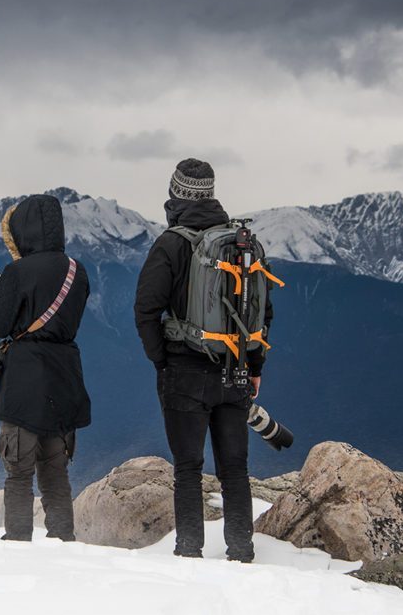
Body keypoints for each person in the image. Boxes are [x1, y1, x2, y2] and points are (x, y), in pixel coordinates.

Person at [133, 158, 273, 563]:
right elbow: (262, 312)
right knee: (234, 469)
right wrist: (255, 366)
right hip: (236, 368)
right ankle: (242, 551)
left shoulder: (171, 244)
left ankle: (189, 551)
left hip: (184, 369)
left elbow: (145, 309)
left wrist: (162, 361)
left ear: (176, 194)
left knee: (188, 469)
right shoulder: (239, 243)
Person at [0, 194, 91, 542]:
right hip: (64, 378)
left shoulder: (17, 272)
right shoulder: (78, 270)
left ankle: (17, 542)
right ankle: (63, 540)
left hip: (24, 382)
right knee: (55, 471)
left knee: (18, 472)